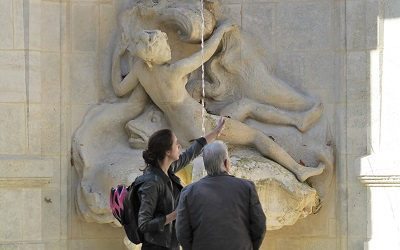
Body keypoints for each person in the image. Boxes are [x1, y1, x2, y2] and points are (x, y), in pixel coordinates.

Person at [111, 20, 324, 182]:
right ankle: (299, 170)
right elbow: (204, 55)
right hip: (203, 127)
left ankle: (299, 121)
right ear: (155, 54)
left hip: (186, 130)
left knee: (246, 106)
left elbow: (119, 90)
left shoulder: (140, 69)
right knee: (256, 137)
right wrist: (221, 31)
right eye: (165, 46)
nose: (169, 48)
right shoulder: (173, 71)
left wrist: (116, 57)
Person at [136, 118, 225, 250]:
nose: (179, 146)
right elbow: (143, 224)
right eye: (176, 143)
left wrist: (215, 132)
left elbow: (191, 152)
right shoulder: (151, 182)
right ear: (167, 152)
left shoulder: (168, 170)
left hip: (171, 245)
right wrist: (175, 214)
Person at [176, 141, 267, 250]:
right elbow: (259, 226)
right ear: (226, 163)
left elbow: (182, 231)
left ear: (206, 165)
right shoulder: (247, 187)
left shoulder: (188, 192)